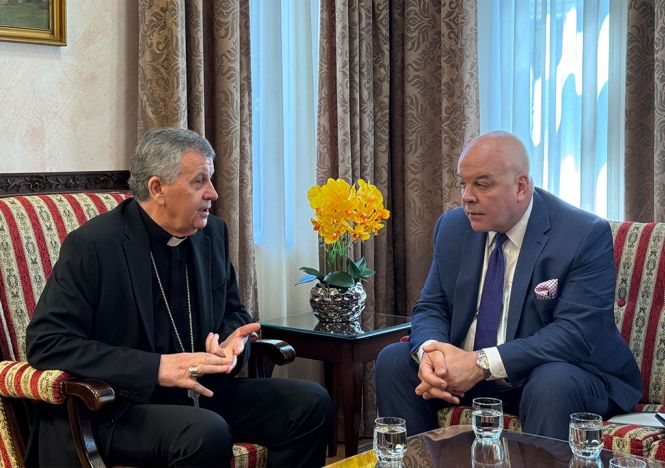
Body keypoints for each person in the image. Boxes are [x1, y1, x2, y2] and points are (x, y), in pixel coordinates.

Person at [26, 128, 332, 467]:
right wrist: (157, 368)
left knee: (310, 402)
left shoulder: (212, 234)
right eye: (199, 181)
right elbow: (47, 343)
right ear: (157, 188)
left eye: (211, 179)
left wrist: (230, 344)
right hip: (117, 407)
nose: (213, 193)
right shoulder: (94, 246)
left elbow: (234, 312)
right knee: (205, 431)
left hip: (200, 394)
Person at [375, 131, 642, 440]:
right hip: (471, 376)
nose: (467, 196)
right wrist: (431, 354)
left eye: (482, 184)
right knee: (394, 361)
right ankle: (417, 461)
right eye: (463, 184)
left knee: (550, 382)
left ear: (520, 187)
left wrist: (480, 364)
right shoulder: (453, 227)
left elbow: (575, 333)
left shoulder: (582, 234)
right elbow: (432, 306)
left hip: (555, 373)